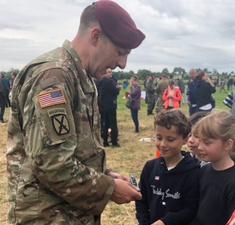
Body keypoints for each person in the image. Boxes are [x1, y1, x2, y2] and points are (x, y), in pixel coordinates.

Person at [6, 1, 145, 224]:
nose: (122, 64)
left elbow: (73, 151)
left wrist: (105, 175)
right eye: (120, 52)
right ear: (96, 36)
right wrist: (109, 189)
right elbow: (51, 163)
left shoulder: (82, 78)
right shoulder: (53, 76)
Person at [136, 109, 200, 225]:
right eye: (159, 138)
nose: (163, 144)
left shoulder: (194, 172)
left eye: (170, 139)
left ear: (185, 139)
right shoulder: (149, 168)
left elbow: (192, 208)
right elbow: (141, 201)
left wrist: (166, 222)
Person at [191, 111, 235, 225]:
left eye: (207, 143)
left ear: (227, 144)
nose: (200, 147)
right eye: (200, 141)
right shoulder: (203, 171)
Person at [98, 68, 121, 147]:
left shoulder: (98, 81)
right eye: (109, 72)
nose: (110, 74)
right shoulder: (108, 82)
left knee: (105, 124)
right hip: (110, 105)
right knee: (113, 124)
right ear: (105, 73)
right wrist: (118, 89)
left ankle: (105, 141)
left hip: (102, 105)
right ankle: (114, 142)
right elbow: (115, 91)